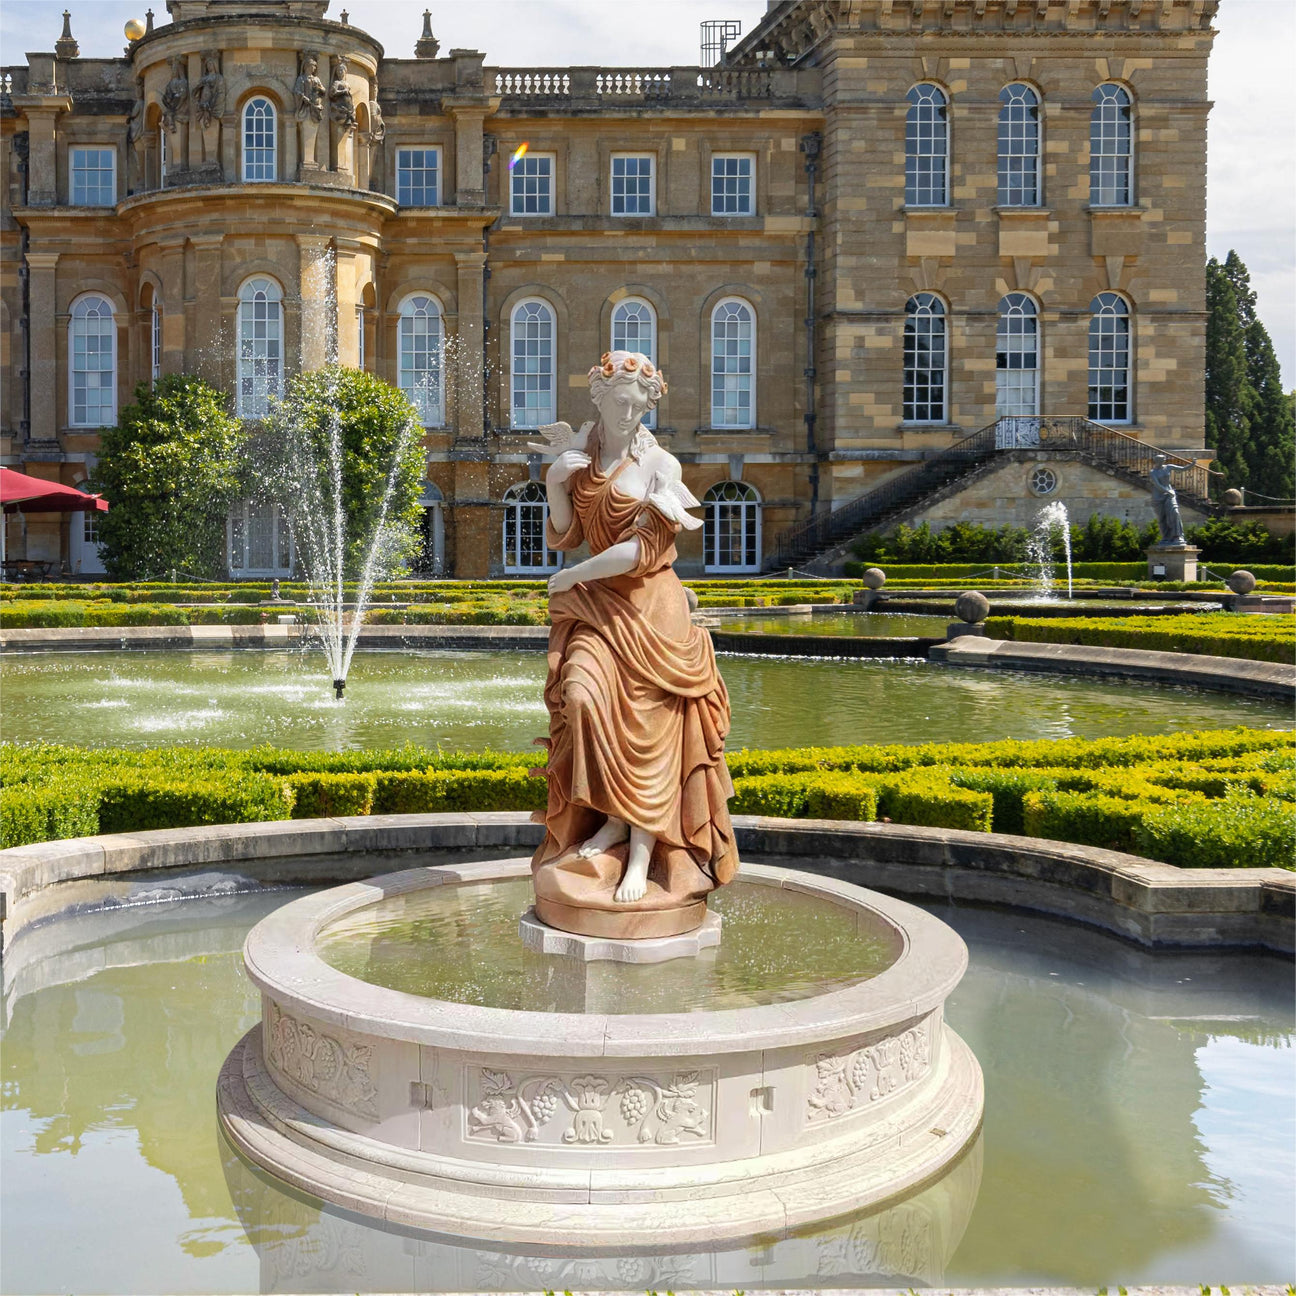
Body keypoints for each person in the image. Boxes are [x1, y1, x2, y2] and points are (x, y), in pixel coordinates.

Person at [529, 351, 738, 936]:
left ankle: (643, 850)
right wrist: (553, 480)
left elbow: (642, 552)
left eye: (635, 404)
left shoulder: (662, 468)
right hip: (599, 609)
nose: (625, 413)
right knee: (581, 699)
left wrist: (574, 575)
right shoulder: (581, 460)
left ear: (649, 405)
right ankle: (612, 824)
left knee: (649, 732)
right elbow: (565, 532)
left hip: (651, 611)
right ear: (598, 400)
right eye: (615, 402)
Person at [1148, 454, 1191, 546]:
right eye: (1160, 460)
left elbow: (1183, 469)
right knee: (1162, 518)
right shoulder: (1153, 472)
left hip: (1169, 495)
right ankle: (1166, 537)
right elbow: (1157, 485)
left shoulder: (1168, 467)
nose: (1163, 462)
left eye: (1163, 460)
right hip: (1158, 497)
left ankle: (1178, 536)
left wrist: (1193, 464)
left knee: (1175, 512)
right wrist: (1167, 491)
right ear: (1156, 461)